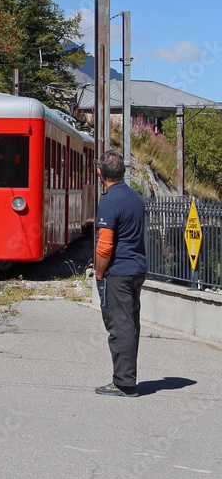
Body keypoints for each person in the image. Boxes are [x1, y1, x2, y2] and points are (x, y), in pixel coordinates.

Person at [93, 149, 147, 397]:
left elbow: (104, 245)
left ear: (100, 172)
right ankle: (127, 377)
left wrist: (99, 274)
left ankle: (124, 383)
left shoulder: (109, 201)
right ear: (122, 172)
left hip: (119, 272)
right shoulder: (135, 197)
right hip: (136, 270)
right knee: (130, 324)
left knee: (120, 327)